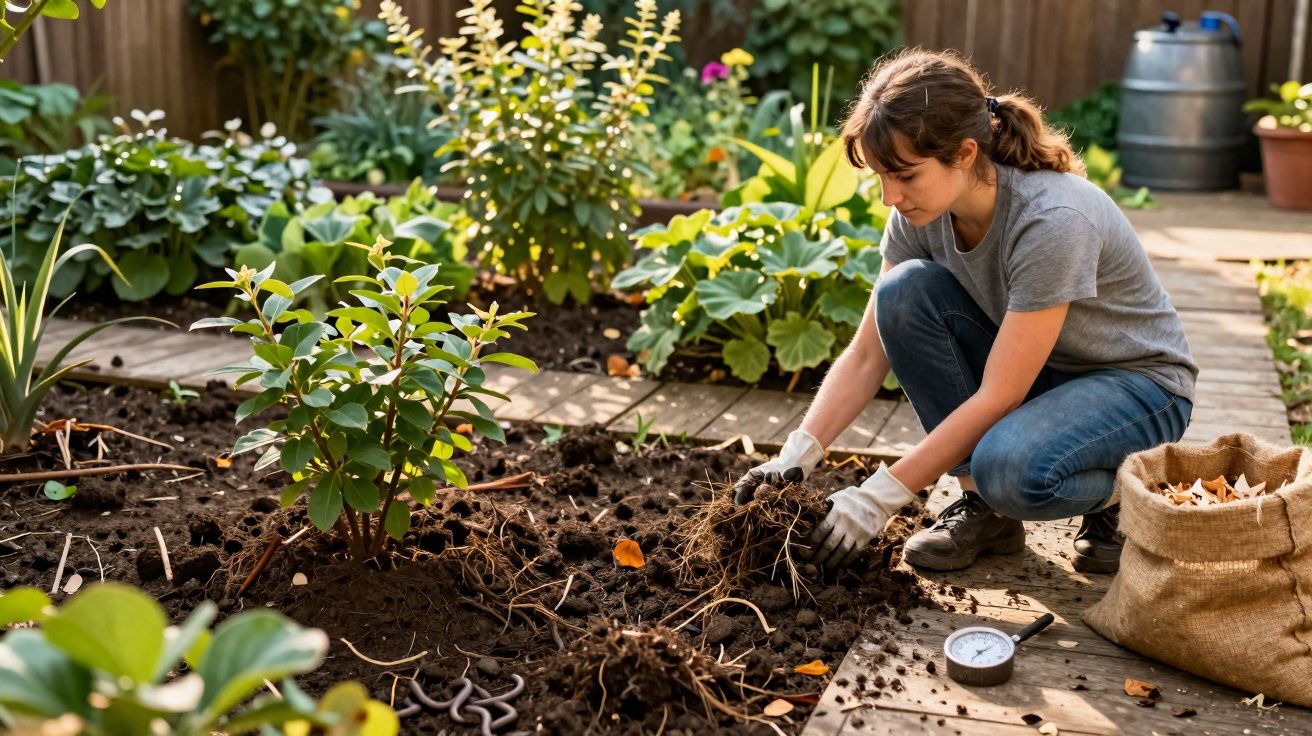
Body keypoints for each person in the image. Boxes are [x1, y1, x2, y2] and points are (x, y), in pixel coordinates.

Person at [732, 48, 1197, 575]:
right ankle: (986, 511)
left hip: (1136, 387)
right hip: (1039, 371)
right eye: (882, 177)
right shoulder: (921, 213)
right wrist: (795, 455)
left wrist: (879, 497)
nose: (890, 197)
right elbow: (867, 355)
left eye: (905, 175)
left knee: (1011, 470)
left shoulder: (1052, 220)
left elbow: (1001, 395)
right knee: (902, 294)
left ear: (965, 152)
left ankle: (1126, 494)